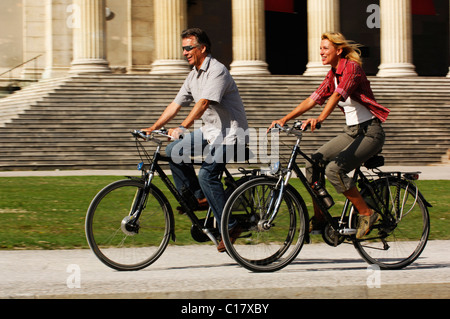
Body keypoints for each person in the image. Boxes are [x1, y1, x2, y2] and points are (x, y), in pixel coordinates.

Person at [269, 32, 390, 239]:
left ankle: (367, 213)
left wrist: (320, 119)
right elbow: (313, 99)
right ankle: (321, 217)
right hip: (352, 132)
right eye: (321, 48)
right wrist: (284, 118)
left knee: (334, 170)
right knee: (313, 163)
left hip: (370, 132)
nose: (321, 52)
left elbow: (337, 95)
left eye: (325, 48)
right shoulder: (332, 75)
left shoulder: (352, 68)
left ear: (339, 50)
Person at [142, 28, 248, 252]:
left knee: (208, 175)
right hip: (211, 131)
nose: (184, 52)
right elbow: (175, 105)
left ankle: (230, 225)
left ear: (202, 48)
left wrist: (182, 126)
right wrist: (153, 127)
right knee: (174, 150)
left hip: (231, 134)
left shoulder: (217, 70)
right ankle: (198, 198)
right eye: (183, 48)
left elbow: (202, 104)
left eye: (189, 47)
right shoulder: (193, 75)